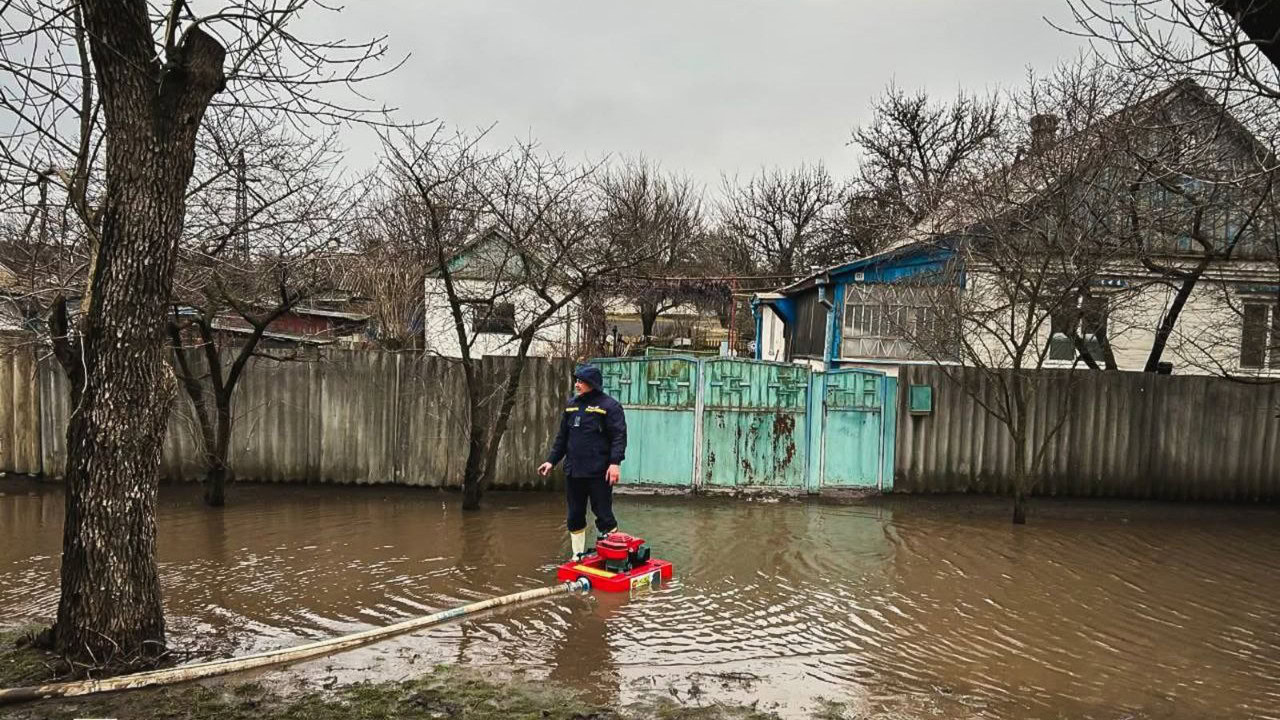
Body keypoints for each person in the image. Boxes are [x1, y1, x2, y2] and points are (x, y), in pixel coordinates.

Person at [538, 364, 627, 560]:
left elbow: (619, 437)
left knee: (603, 514)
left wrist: (615, 463)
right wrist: (551, 461)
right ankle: (577, 555)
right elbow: (562, 438)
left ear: (592, 384)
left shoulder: (609, 407)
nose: (577, 384)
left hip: (599, 472)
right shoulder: (572, 406)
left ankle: (611, 556)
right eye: (576, 380)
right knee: (575, 515)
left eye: (581, 381)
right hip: (574, 472)